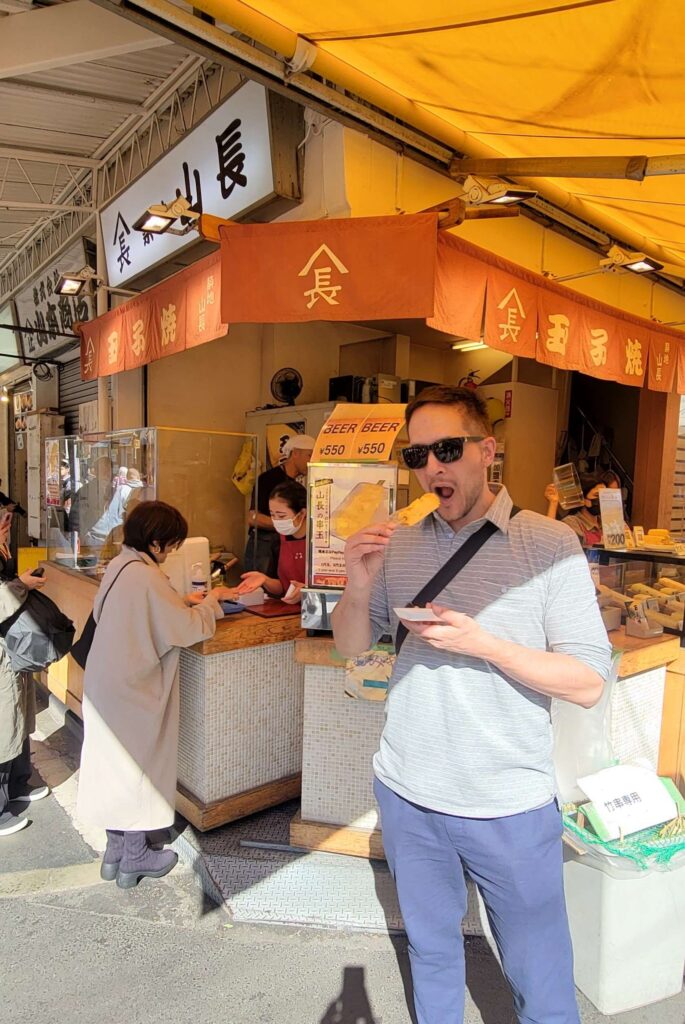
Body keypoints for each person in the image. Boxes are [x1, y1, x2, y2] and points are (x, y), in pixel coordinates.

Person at [332, 385, 612, 1024]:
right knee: (431, 955)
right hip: (408, 792)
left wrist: (485, 644)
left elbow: (589, 681)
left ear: (487, 451)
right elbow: (352, 645)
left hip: (506, 804)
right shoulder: (399, 542)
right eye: (418, 454)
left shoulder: (548, 545)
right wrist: (356, 585)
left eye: (448, 449)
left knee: (539, 978)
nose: (433, 467)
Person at [76, 501, 233, 888]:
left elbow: (139, 613)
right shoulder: (147, 578)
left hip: (105, 681)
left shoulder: (121, 565)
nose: (173, 552)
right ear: (157, 542)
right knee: (137, 765)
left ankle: (114, 851)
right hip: (134, 687)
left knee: (111, 764)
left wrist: (179, 601)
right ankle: (136, 857)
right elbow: (186, 628)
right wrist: (211, 604)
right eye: (173, 544)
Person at [0, 509, 50, 837]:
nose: (8, 524)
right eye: (2, 519)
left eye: (8, 519)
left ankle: (18, 783)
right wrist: (21, 584)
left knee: (18, 715)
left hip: (10, 649)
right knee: (4, 720)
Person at [243, 434, 315, 577]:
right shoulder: (268, 479)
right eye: (309, 455)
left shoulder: (297, 485)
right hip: (263, 546)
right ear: (295, 453)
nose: (311, 461)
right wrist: (285, 524)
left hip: (284, 546)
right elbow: (252, 517)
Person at [238, 480, 307, 604]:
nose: (276, 521)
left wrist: (308, 591)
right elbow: (282, 587)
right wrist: (264, 579)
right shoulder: (278, 539)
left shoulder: (321, 542)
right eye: (272, 515)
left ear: (302, 513)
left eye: (281, 516)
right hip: (289, 611)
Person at [545, 469, 622, 548]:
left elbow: (617, 550)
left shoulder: (607, 523)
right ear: (584, 499)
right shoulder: (572, 522)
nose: (601, 499)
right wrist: (553, 503)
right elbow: (551, 541)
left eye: (604, 495)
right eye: (596, 495)